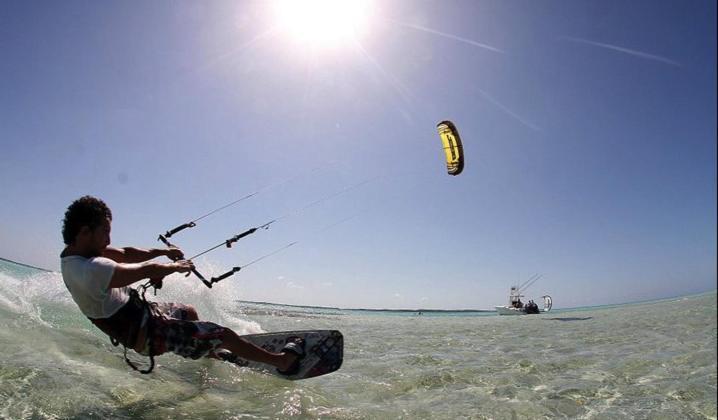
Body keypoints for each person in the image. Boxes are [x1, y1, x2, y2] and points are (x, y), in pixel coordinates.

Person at [60, 195, 301, 374]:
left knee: (188, 312)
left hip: (146, 317)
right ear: (84, 231)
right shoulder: (87, 270)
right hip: (150, 335)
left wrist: (164, 252)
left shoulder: (77, 254)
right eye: (105, 232)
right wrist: (177, 266)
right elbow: (146, 270)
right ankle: (282, 362)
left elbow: (125, 252)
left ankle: (210, 352)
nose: (109, 240)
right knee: (224, 334)